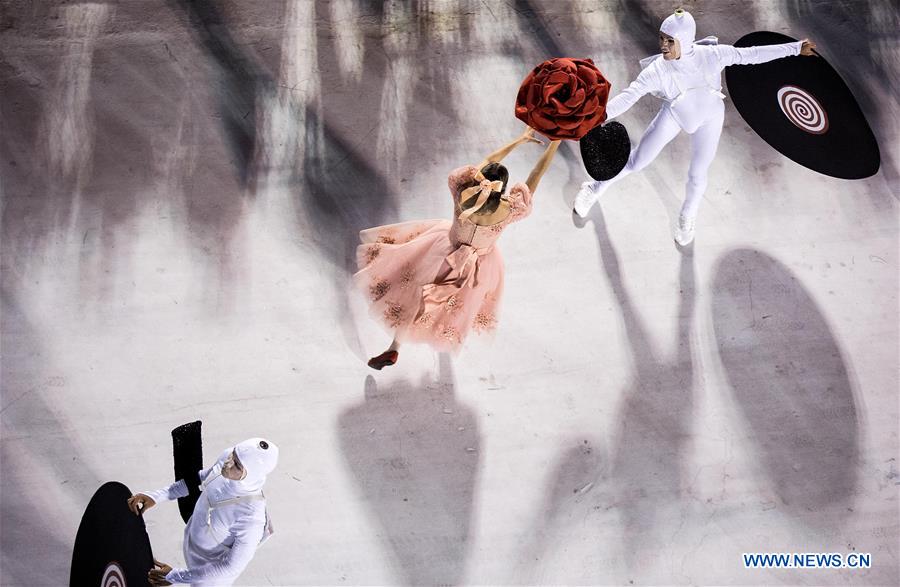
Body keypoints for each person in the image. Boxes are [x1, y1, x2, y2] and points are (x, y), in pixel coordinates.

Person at [573, 8, 817, 245]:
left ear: (685, 40)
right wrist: (598, 116)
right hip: (674, 116)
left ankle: (687, 216)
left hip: (710, 119)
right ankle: (595, 187)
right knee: (637, 162)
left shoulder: (713, 55)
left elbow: (752, 55)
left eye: (670, 40)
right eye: (661, 39)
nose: (663, 45)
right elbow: (629, 96)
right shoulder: (657, 70)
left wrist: (795, 49)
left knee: (698, 174)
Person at [357, 127, 560, 369]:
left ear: (480, 179)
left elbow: (486, 163)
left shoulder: (462, 191)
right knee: (453, 307)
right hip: (477, 268)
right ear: (502, 189)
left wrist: (517, 141)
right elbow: (534, 178)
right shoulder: (508, 210)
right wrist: (555, 143)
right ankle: (438, 341)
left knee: (418, 295)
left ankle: (394, 348)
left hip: (442, 252)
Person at [127, 438, 279, 586]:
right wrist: (156, 496)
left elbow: (230, 568)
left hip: (209, 573)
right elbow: (199, 479)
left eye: (237, 465)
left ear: (251, 475)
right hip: (191, 539)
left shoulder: (251, 518)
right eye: (234, 454)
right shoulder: (227, 457)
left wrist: (177, 576)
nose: (228, 463)